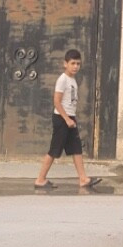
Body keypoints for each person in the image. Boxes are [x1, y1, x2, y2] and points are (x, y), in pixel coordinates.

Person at [34, 50, 102, 190]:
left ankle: (83, 179)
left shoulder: (72, 80)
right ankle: (40, 179)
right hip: (62, 118)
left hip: (70, 118)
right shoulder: (62, 80)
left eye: (78, 63)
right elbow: (57, 102)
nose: (75, 66)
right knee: (54, 150)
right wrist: (67, 119)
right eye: (72, 63)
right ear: (65, 64)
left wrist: (71, 119)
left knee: (77, 149)